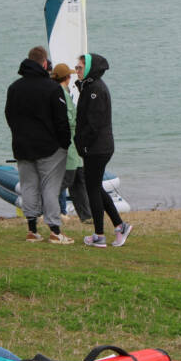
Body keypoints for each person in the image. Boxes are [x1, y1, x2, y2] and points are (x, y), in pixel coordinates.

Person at [4, 46, 74, 244]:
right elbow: (61, 120)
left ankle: (32, 230)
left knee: (29, 186)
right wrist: (65, 142)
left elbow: (9, 115)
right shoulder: (52, 88)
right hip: (49, 147)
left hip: (22, 145)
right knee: (50, 188)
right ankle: (54, 230)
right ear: (44, 63)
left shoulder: (14, 88)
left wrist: (18, 135)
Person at [74, 53, 133, 248]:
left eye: (80, 67)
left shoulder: (95, 90)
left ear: (90, 68)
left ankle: (99, 234)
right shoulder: (89, 87)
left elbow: (94, 123)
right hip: (96, 146)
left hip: (97, 148)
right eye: (77, 67)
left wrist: (83, 144)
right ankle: (119, 225)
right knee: (95, 187)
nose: (77, 70)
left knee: (92, 189)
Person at [50, 63, 92, 223]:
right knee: (68, 179)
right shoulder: (61, 94)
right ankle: (42, 205)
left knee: (79, 179)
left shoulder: (62, 92)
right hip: (69, 143)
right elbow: (68, 119)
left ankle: (86, 215)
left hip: (74, 144)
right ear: (67, 78)